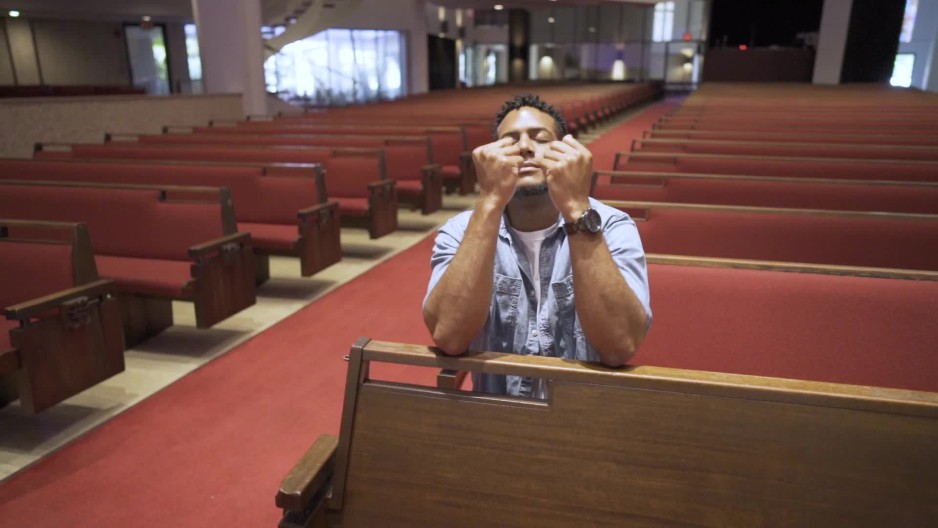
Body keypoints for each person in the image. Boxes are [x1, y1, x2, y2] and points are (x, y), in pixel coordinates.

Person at [422, 94, 651, 398]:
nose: (525, 147)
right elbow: (449, 337)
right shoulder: (460, 231)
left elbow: (618, 346)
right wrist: (489, 201)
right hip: (496, 415)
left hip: (586, 417)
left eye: (540, 139)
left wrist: (576, 208)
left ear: (567, 151)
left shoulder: (611, 226)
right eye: (510, 140)